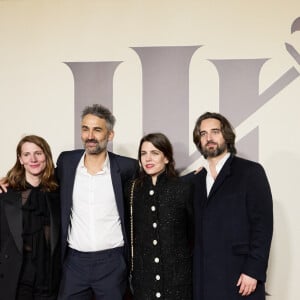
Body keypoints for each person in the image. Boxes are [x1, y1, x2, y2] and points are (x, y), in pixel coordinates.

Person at [185, 112, 273, 300]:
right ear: (198, 141)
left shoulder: (250, 172)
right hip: (203, 280)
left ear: (226, 135)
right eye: (203, 133)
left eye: (215, 131)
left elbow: (263, 226)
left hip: (240, 276)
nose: (209, 138)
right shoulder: (194, 181)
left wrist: (253, 271)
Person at [56, 104, 138, 300]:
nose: (90, 136)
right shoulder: (66, 162)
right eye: (85, 129)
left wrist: (190, 179)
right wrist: (11, 181)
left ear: (110, 135)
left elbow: (151, 189)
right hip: (74, 262)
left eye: (97, 130)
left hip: (112, 262)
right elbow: (42, 184)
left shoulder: (127, 167)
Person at [125, 133, 194, 300]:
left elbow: (193, 233)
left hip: (178, 280)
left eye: (155, 153)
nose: (148, 158)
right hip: (143, 281)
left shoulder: (183, 189)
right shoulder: (131, 190)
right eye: (143, 153)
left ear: (167, 158)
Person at [0, 135, 61, 300]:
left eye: (38, 153)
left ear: (46, 156)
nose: (33, 159)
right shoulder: (6, 194)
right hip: (18, 277)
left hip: (50, 278)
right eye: (26, 154)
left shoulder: (59, 192)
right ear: (20, 159)